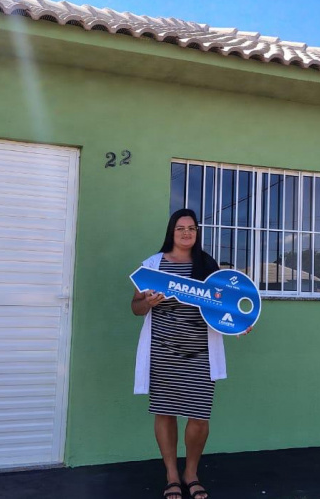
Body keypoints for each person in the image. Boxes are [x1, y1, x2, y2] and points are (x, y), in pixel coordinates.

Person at [131, 208, 225, 499]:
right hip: (163, 350)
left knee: (199, 416)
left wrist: (239, 325)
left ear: (197, 233)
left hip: (200, 351)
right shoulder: (153, 264)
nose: (187, 233)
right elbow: (135, 307)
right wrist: (147, 302)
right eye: (181, 228)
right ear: (171, 232)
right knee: (165, 411)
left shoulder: (209, 266)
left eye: (192, 228)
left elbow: (226, 308)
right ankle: (172, 475)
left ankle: (191, 473)